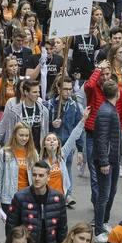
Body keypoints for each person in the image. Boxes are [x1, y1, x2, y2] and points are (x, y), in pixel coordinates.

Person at [93, 81, 122, 243]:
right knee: (104, 195)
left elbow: (117, 133)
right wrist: (104, 162)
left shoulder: (110, 110)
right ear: (118, 94)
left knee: (111, 191)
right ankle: (98, 231)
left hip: (113, 159)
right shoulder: (106, 112)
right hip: (107, 160)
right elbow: (102, 139)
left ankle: (104, 222)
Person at [5, 160, 68, 243]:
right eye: (34, 175)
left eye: (41, 175)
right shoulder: (20, 197)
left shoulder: (58, 198)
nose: (37, 178)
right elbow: (11, 227)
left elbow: (62, 228)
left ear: (48, 177)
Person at [44, 76, 86, 206]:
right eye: (65, 89)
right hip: (51, 146)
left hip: (68, 145)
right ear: (58, 88)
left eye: (70, 89)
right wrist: (52, 125)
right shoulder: (49, 106)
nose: (68, 92)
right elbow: (43, 127)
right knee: (50, 169)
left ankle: (67, 194)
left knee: (67, 169)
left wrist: (80, 150)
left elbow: (78, 128)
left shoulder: (75, 107)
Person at [0, 79, 49, 151]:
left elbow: (45, 132)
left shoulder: (44, 111)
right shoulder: (14, 111)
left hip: (37, 152)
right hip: (19, 152)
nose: (38, 94)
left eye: (38, 92)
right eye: (35, 92)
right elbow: (9, 133)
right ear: (26, 92)